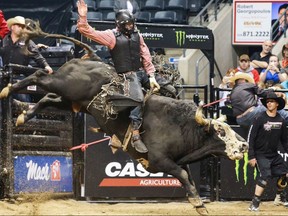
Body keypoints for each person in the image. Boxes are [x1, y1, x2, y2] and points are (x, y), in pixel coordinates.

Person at [77, 0, 160, 153]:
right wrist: (83, 17)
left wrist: (152, 75)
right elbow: (88, 31)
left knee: (166, 87)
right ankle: (135, 135)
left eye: (131, 24)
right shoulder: (111, 36)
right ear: (120, 25)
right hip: (126, 76)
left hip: (141, 72)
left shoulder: (137, 34)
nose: (130, 26)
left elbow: (145, 53)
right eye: (127, 25)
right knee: (138, 100)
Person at [247, 92, 288, 211]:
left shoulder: (281, 120)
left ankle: (279, 197)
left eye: (271, 101)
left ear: (276, 104)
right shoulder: (259, 118)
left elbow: (285, 141)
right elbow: (251, 138)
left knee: (285, 174)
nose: (269, 103)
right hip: (260, 155)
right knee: (264, 177)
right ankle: (254, 203)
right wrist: (251, 156)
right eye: (267, 102)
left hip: (274, 154)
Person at [0, 16, 53, 102]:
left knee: (23, 100)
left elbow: (37, 56)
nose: (21, 28)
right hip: (5, 77)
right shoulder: (4, 40)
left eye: (22, 26)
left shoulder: (27, 42)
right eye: (19, 26)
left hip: (20, 77)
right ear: (12, 27)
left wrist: (46, 66)